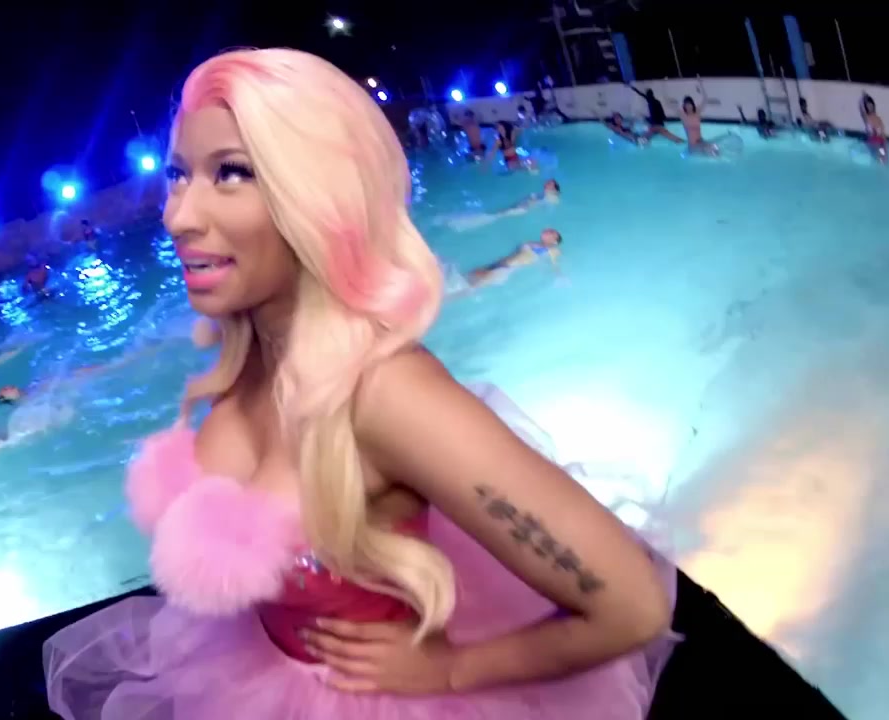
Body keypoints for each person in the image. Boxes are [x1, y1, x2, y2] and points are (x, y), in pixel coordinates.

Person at [44, 49, 676, 720]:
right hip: (248, 674)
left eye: (231, 173)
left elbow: (631, 605)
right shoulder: (253, 346)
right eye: (179, 174)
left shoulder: (386, 394)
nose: (178, 216)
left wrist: (452, 669)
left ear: (318, 195)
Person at [433, 179, 562, 233]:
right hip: (521, 207)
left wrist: (534, 200)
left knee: (496, 215)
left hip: (522, 209)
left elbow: (550, 201)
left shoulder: (550, 196)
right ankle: (459, 222)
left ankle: (460, 222)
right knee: (496, 214)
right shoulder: (542, 194)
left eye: (550, 183)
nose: (546, 183)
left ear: (554, 187)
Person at [457, 228, 564, 292]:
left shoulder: (551, 249)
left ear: (554, 241)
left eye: (551, 232)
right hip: (500, 264)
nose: (548, 231)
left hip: (505, 269)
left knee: (471, 287)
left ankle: (448, 298)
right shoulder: (534, 243)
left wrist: (559, 277)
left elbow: (554, 264)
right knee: (470, 276)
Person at [860, 93, 887, 163]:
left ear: (873, 106)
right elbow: (862, 110)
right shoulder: (866, 117)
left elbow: (883, 135)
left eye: (871, 105)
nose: (870, 107)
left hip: (879, 143)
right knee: (876, 157)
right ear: (866, 107)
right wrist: (864, 98)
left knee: (883, 158)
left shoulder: (878, 119)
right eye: (868, 106)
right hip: (871, 142)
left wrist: (885, 149)